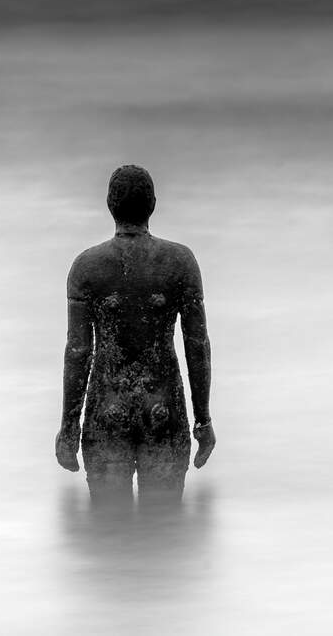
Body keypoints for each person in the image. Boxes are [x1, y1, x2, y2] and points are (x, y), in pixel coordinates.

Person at [56, 165, 215, 505]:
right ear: (153, 204)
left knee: (109, 526)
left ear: (109, 205)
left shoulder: (87, 267)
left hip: (106, 409)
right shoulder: (180, 262)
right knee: (163, 522)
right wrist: (202, 420)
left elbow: (78, 352)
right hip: (164, 407)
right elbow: (197, 346)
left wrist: (69, 427)